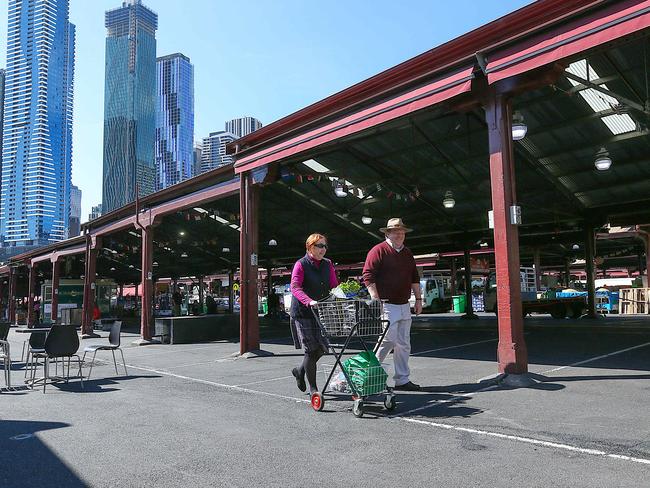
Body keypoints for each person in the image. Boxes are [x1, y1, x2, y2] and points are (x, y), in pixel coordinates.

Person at [362, 218, 422, 391]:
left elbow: (414, 277)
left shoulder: (407, 253)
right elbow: (368, 275)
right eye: (396, 231)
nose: (400, 234)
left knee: (404, 343)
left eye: (402, 232)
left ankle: (402, 380)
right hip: (387, 304)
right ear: (387, 233)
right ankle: (367, 375)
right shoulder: (378, 250)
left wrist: (418, 300)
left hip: (404, 304)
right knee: (387, 341)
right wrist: (376, 298)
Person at [290, 233, 338, 396]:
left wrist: (344, 295)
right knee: (311, 350)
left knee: (322, 348)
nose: (323, 249)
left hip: (322, 310)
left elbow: (334, 286)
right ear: (310, 247)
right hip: (304, 312)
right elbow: (295, 287)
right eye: (319, 246)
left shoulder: (328, 264)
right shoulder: (301, 264)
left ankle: (299, 370)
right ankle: (314, 389)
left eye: (325, 246)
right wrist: (308, 301)